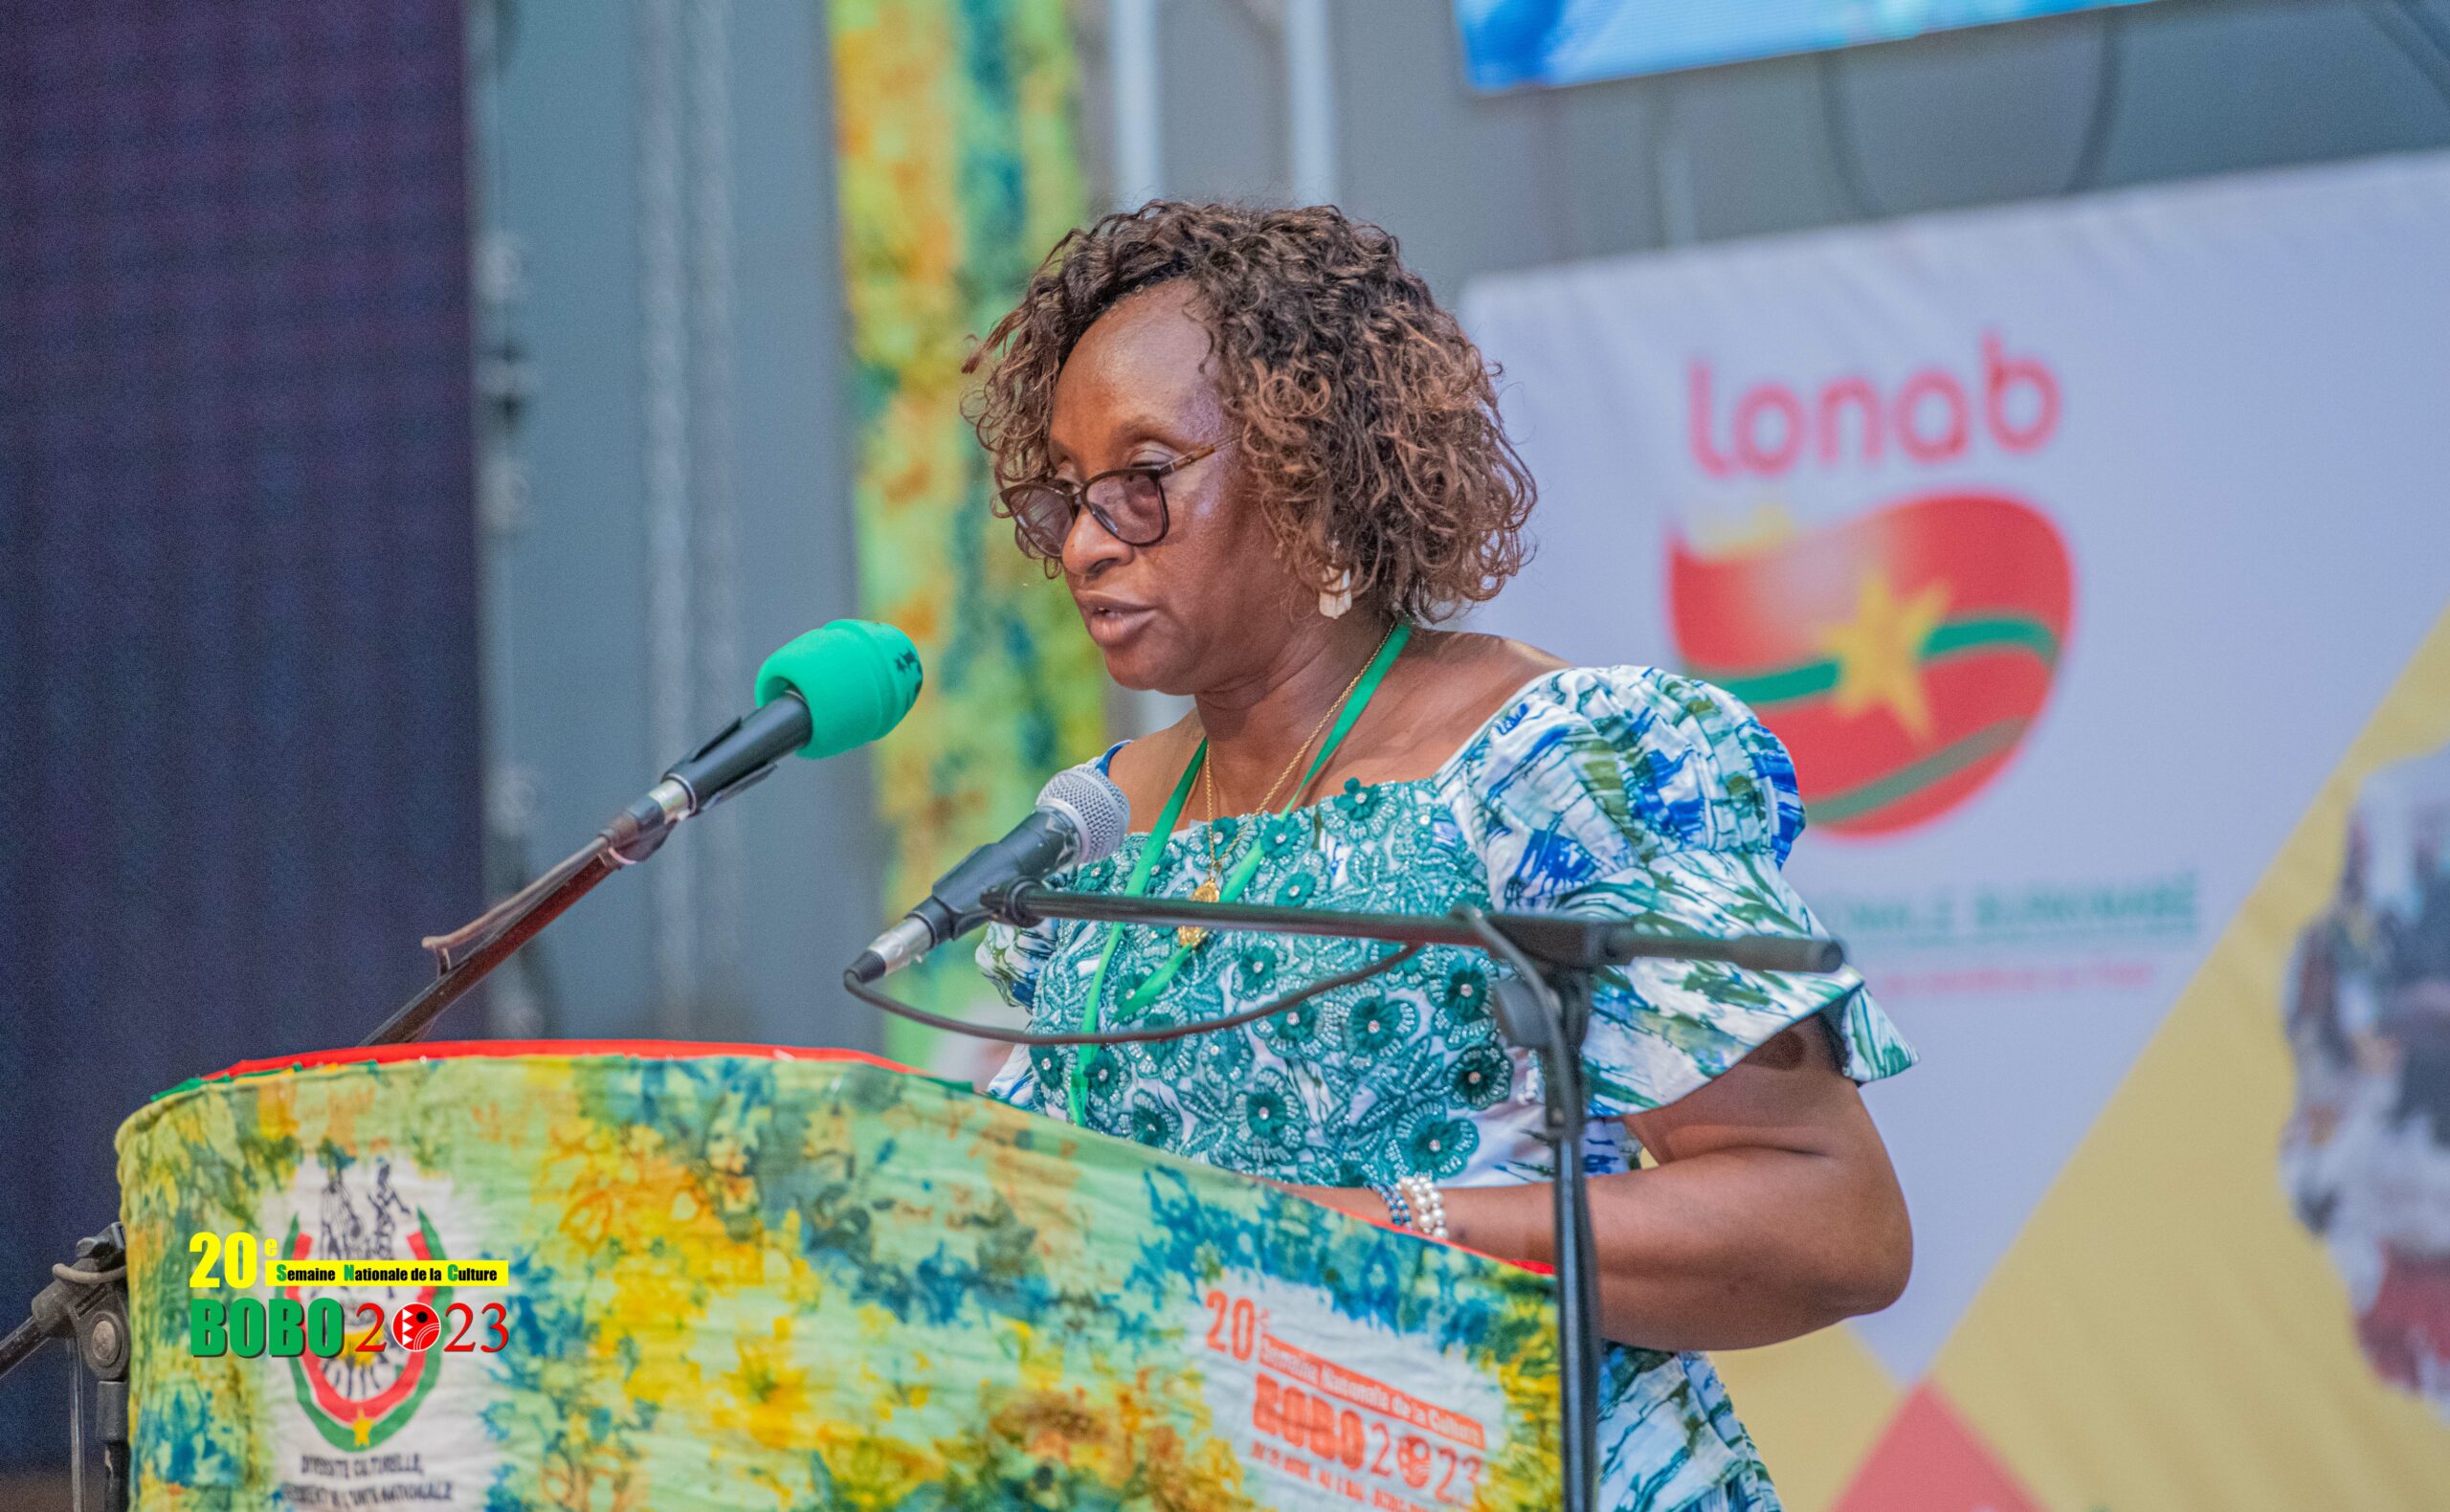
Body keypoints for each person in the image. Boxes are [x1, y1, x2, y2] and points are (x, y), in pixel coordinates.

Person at [963, 201, 1916, 1511]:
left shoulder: (1558, 763)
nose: (1085, 540)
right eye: (1065, 495)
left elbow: (1830, 1221)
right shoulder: (1101, 823)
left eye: (1143, 477)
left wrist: (1389, 1235)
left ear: (1311, 463)